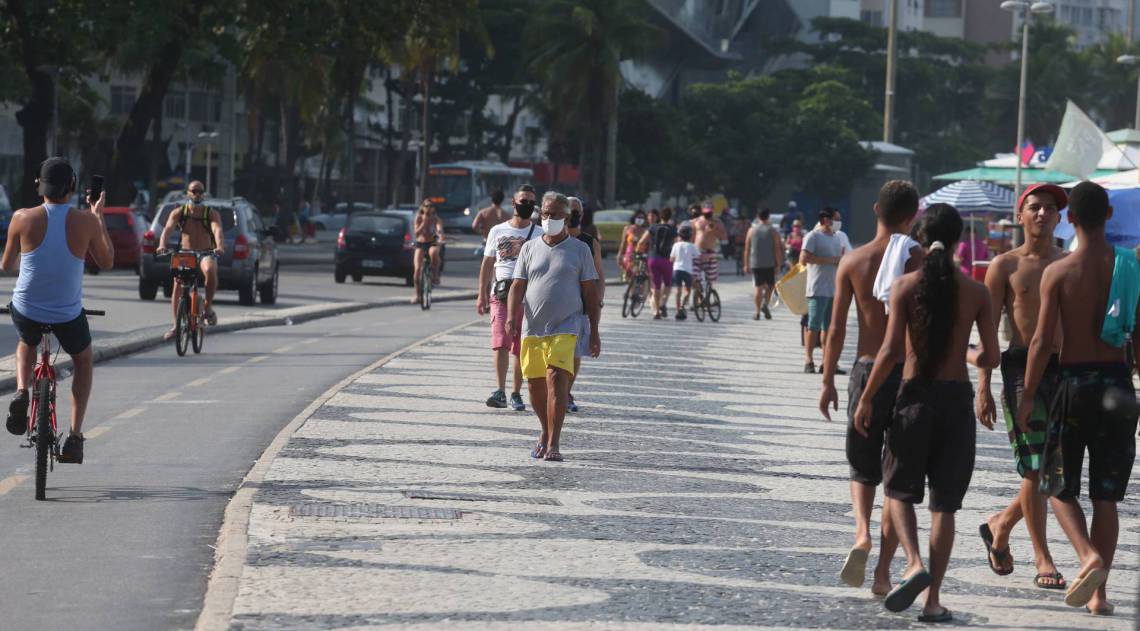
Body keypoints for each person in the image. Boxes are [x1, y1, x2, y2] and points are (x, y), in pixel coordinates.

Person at [853, 203, 999, 623]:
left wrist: (867, 398)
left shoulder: (903, 286)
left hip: (913, 398)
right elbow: (990, 355)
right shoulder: (976, 291)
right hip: (955, 402)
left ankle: (913, 562)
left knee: (898, 491)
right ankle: (933, 601)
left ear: (920, 239)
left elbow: (890, 351)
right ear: (958, 242)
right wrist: (966, 352)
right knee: (945, 506)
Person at [1018, 181, 1140, 615]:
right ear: (1109, 215)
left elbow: (1040, 342)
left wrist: (1029, 394)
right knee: (1106, 496)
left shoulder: (1059, 272)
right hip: (1119, 386)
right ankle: (1100, 597)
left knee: (1055, 484)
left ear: (1069, 219)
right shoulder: (1129, 266)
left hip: (1073, 385)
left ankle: (1087, 557)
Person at [818, 180, 923, 596]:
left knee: (862, 466)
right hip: (906, 373)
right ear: (912, 215)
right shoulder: (917, 262)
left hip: (864, 370)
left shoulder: (853, 261)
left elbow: (836, 328)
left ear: (877, 208)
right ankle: (882, 571)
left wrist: (827, 380)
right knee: (897, 476)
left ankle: (861, 532)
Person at [975, 183, 1068, 590]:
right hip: (1018, 370)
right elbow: (989, 333)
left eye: (1050, 209)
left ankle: (1001, 522)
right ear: (1020, 215)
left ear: (1060, 217)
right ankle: (1042, 556)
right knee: (1034, 468)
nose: (1043, 214)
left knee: (1055, 470)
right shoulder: (1005, 266)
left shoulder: (1068, 263)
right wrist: (982, 385)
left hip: (1064, 371)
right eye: (1035, 208)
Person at [3, 158, 114, 464]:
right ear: (73, 187)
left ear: (40, 186)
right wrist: (98, 216)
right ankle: (76, 437)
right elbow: (106, 262)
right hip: (66, 315)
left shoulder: (21, 217)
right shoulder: (86, 221)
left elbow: (6, 266)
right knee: (83, 360)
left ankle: (23, 391)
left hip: (27, 309)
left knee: (26, 340)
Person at [507, 192, 601, 462]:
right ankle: (544, 431)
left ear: (567, 217)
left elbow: (590, 293)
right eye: (545, 214)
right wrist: (511, 317)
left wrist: (593, 331)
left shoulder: (580, 249)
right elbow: (517, 285)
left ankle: (554, 444)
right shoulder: (529, 248)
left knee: (556, 379)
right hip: (533, 327)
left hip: (567, 325)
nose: (548, 219)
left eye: (555, 215)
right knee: (535, 386)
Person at [477, 184, 541, 411]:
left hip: (529, 297)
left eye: (532, 202)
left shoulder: (540, 234)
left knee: (521, 347)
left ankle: (516, 393)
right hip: (501, 294)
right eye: (523, 201)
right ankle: (500, 391)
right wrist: (481, 294)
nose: (527, 205)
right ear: (513, 203)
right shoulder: (497, 231)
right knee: (500, 343)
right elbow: (487, 263)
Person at [157, 181, 225, 339]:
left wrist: (220, 246)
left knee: (210, 270)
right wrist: (161, 245)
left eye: (200, 191)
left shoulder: (211, 213)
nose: (197, 194)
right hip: (186, 253)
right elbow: (167, 229)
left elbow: (217, 230)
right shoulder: (180, 212)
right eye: (194, 191)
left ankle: (207, 307)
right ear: (188, 193)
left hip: (205, 252)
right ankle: (176, 326)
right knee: (177, 284)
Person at [567, 196, 603, 413]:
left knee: (575, 353)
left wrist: (597, 302)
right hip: (552, 308)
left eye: (576, 211)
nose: (572, 215)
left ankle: (565, 392)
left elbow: (599, 276)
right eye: (568, 211)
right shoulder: (547, 239)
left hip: (580, 307)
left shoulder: (589, 242)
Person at [800, 209, 842, 373]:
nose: (839, 222)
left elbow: (837, 260)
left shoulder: (837, 238)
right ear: (826, 220)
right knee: (814, 325)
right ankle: (808, 360)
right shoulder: (813, 236)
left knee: (828, 327)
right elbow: (803, 259)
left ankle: (826, 361)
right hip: (817, 289)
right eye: (836, 219)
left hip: (833, 289)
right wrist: (829, 260)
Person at [742, 208, 783, 320]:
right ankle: (765, 304)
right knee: (771, 286)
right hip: (769, 263)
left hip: (755, 263)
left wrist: (746, 264)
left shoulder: (751, 230)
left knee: (758, 288)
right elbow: (777, 248)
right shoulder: (773, 230)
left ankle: (757, 312)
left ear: (758, 217)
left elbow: (747, 248)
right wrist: (778, 264)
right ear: (768, 216)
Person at [639, 207, 676, 319]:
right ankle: (663, 304)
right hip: (667, 260)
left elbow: (642, 242)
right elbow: (675, 244)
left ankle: (656, 311)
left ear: (660, 216)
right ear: (670, 217)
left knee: (656, 286)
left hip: (653, 258)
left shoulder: (653, 227)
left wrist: (639, 253)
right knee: (668, 284)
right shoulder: (673, 229)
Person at [412, 199, 445, 304]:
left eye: (430, 206)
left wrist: (440, 234)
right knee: (417, 270)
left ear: (433, 208)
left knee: (434, 252)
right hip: (421, 244)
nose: (428, 208)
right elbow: (416, 234)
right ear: (422, 207)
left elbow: (439, 230)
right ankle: (418, 296)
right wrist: (424, 223)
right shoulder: (419, 218)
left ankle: (435, 274)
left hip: (432, 242)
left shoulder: (436, 219)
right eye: (426, 206)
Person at [693, 205, 726, 299]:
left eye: (709, 213)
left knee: (710, 278)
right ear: (703, 212)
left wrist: (714, 230)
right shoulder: (697, 221)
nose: (708, 215)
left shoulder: (718, 222)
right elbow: (692, 235)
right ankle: (699, 296)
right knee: (694, 276)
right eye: (706, 213)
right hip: (697, 252)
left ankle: (708, 296)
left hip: (710, 252)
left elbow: (723, 236)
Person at [670, 225, 699, 320]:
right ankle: (683, 306)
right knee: (688, 290)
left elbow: (671, 259)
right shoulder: (692, 246)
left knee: (678, 291)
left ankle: (678, 309)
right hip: (687, 271)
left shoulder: (676, 245)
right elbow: (698, 257)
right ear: (690, 236)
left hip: (676, 270)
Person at [618, 209, 648, 279]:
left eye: (642, 218)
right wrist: (619, 255)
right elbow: (623, 243)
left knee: (640, 278)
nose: (640, 219)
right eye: (638, 217)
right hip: (629, 257)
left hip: (641, 257)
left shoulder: (646, 231)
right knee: (630, 278)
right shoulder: (627, 228)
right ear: (634, 218)